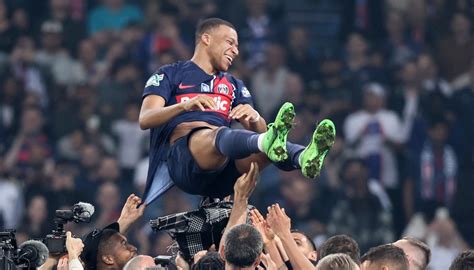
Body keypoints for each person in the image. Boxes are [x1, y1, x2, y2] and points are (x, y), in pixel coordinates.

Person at [139, 17, 336, 203]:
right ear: (206, 39)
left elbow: (262, 132)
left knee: (267, 146)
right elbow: (145, 119)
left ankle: (303, 158)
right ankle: (274, 147)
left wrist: (255, 116)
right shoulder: (170, 73)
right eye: (230, 42)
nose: (236, 51)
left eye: (237, 45)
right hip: (184, 164)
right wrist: (184, 106)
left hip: (223, 177)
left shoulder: (234, 84)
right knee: (220, 134)